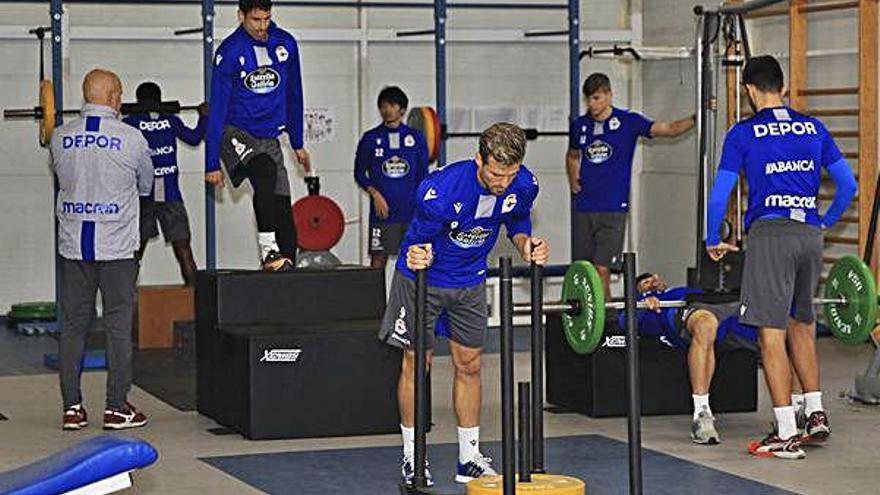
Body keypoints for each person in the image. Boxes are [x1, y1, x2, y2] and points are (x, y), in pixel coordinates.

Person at [378, 123, 549, 486]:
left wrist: (525, 245)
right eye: (496, 173)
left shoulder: (524, 184)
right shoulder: (439, 191)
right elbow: (418, 241)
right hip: (421, 279)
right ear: (478, 161)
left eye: (510, 174)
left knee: (469, 364)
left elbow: (516, 217)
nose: (503, 182)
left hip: (470, 281)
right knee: (415, 363)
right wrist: (418, 255)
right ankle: (413, 456)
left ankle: (469, 457)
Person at [705, 55, 858, 459]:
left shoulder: (743, 133)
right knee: (802, 324)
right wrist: (823, 221)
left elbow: (721, 194)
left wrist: (710, 236)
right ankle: (816, 411)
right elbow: (848, 184)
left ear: (750, 91)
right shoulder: (813, 126)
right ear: (783, 88)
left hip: (770, 235)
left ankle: (787, 432)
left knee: (769, 334)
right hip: (809, 234)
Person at [51, 68, 153, 431]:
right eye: (120, 94)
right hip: (117, 250)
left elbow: (62, 178)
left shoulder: (59, 137)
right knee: (118, 327)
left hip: (74, 247)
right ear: (112, 97)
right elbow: (146, 186)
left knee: (73, 327)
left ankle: (72, 409)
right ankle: (116, 408)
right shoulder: (133, 138)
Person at [566, 72, 696, 297]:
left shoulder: (628, 122)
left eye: (596, 98)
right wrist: (573, 180)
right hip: (585, 206)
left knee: (602, 269)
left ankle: (606, 322)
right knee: (584, 270)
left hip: (613, 206)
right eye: (588, 99)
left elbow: (669, 129)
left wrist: (698, 116)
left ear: (608, 95)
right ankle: (588, 322)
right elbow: (572, 155)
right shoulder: (580, 126)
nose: (591, 104)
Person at [205, 0, 310, 271]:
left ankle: (286, 274)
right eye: (255, 20)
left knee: (283, 211)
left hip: (269, 137)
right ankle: (267, 249)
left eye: (266, 19)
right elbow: (216, 109)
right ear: (241, 16)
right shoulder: (229, 52)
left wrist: (297, 143)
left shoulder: (285, 44)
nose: (262, 26)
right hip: (236, 131)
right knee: (264, 170)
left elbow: (294, 95)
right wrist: (211, 163)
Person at [123, 81, 207, 285]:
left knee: (134, 256)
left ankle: (125, 306)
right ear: (159, 99)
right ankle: (197, 307)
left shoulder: (130, 123)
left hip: (143, 195)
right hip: (170, 194)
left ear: (138, 100)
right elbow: (195, 138)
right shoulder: (171, 120)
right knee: (185, 252)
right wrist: (204, 117)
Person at [354, 86, 430, 268]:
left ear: (402, 109)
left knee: (415, 261)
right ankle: (374, 298)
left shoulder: (416, 138)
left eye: (392, 105)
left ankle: (412, 298)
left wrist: (422, 208)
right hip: (383, 214)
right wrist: (375, 194)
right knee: (378, 261)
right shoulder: (370, 138)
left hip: (410, 213)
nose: (387, 110)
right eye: (383, 106)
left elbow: (423, 176)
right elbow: (359, 173)